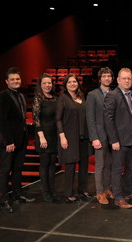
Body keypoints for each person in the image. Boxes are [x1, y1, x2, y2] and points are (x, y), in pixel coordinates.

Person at [0, 67, 35, 213]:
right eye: (12, 79)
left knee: (17, 168)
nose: (16, 81)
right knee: (5, 170)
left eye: (17, 79)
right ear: (7, 81)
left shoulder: (21, 95)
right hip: (8, 141)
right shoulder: (1, 96)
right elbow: (1, 121)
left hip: (21, 139)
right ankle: (4, 200)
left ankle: (18, 195)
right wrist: (9, 140)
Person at [104, 68, 132, 209]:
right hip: (119, 141)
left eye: (129, 78)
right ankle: (118, 197)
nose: (127, 81)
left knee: (131, 167)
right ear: (118, 80)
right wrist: (113, 140)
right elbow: (108, 120)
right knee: (117, 169)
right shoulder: (112, 95)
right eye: (124, 78)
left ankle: (128, 192)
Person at [56, 74, 93, 203]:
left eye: (74, 81)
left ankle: (82, 190)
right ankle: (68, 192)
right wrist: (62, 136)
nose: (73, 84)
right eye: (70, 82)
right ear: (66, 85)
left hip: (84, 137)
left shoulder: (81, 97)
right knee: (70, 165)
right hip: (70, 137)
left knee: (84, 165)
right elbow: (58, 119)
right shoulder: (63, 99)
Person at [86, 67, 115, 205]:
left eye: (109, 76)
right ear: (100, 79)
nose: (107, 78)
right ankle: (99, 192)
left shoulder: (115, 93)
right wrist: (94, 138)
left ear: (112, 78)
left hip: (112, 136)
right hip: (100, 136)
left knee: (110, 165)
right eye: (104, 76)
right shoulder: (93, 95)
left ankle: (108, 189)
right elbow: (90, 118)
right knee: (100, 165)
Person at [32, 73, 58, 202]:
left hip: (54, 136)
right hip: (43, 135)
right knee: (45, 164)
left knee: (53, 164)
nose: (47, 85)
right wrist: (42, 137)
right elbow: (36, 120)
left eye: (49, 83)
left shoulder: (55, 98)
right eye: (44, 83)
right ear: (40, 85)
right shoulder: (38, 99)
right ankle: (46, 192)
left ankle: (52, 190)